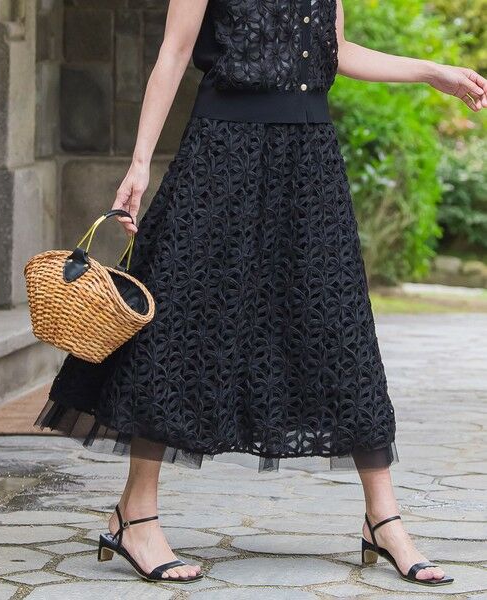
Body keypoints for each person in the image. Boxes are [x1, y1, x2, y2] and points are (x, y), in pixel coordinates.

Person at [36, 0, 487, 586]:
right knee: (180, 326)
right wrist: (139, 164)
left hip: (309, 163)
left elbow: (335, 51)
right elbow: (173, 52)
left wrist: (430, 71)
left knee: (340, 328)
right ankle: (135, 517)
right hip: (222, 157)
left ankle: (384, 520)